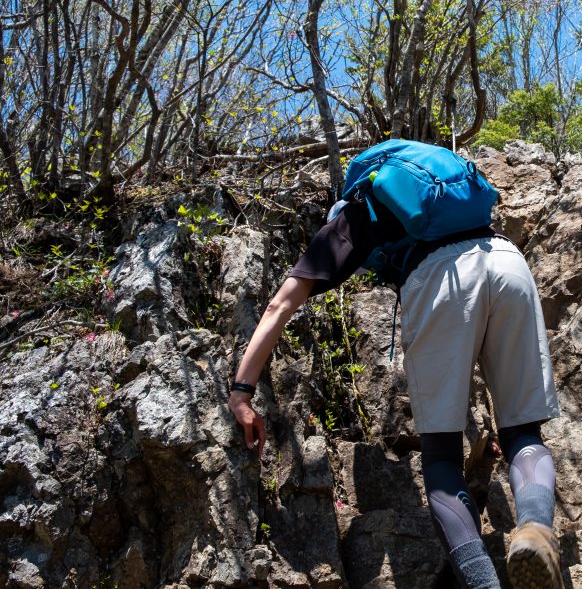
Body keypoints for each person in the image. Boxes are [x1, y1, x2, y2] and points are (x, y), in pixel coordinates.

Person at [227, 148, 563, 589]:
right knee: (523, 433)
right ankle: (536, 531)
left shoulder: (355, 211)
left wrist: (242, 389)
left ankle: (484, 583)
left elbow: (280, 303)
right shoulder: (444, 191)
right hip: (506, 260)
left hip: (442, 278)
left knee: (441, 458)